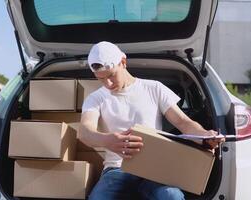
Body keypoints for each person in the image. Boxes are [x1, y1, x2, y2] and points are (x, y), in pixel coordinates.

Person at [79, 41, 224, 200]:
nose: (108, 83)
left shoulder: (154, 88)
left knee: (171, 196)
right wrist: (108, 140)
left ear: (123, 62)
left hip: (155, 169)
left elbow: (183, 122)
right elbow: (85, 131)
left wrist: (204, 136)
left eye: (111, 75)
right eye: (101, 79)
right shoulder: (96, 98)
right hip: (116, 170)